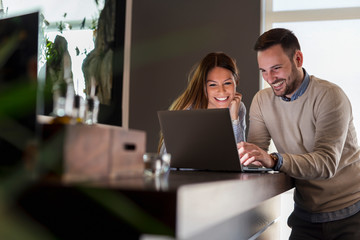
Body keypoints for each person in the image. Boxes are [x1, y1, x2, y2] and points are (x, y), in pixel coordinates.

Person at [238, 28, 360, 239]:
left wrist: (274, 160)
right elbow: (256, 157)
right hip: (305, 215)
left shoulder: (330, 96)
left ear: (298, 58)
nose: (270, 78)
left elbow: (326, 164)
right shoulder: (262, 101)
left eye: (276, 68)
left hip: (350, 214)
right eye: (263, 71)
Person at [158, 52, 246, 153]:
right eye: (213, 85)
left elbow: (241, 156)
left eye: (227, 83)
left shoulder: (238, 107)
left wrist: (234, 119)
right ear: (203, 87)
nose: (221, 91)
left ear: (236, 82)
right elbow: (167, 157)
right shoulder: (188, 111)